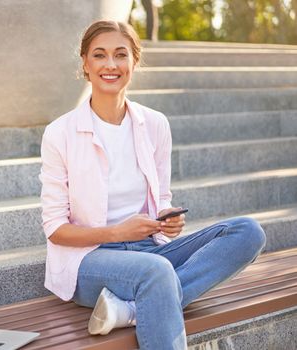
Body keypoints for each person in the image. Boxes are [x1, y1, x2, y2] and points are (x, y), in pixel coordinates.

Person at [38, 20, 266, 350]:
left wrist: (166, 217)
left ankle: (128, 309)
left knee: (248, 232)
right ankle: (147, 300)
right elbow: (56, 229)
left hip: (149, 249)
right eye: (100, 55)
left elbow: (160, 196)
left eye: (121, 54)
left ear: (135, 61)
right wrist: (117, 233)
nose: (110, 65)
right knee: (155, 272)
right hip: (89, 260)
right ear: (85, 64)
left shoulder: (155, 124)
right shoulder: (60, 133)